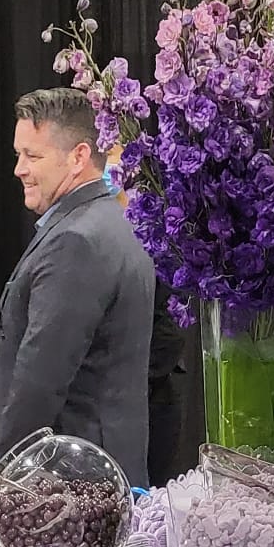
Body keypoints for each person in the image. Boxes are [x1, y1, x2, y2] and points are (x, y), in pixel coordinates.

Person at [0, 88, 154, 508]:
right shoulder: (112, 221)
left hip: (69, 483)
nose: (18, 169)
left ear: (77, 157)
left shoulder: (77, 240)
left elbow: (43, 373)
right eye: (18, 155)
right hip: (96, 470)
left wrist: (3, 470)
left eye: (32, 156)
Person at [104, 146, 189, 485]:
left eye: (115, 172)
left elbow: (170, 330)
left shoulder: (155, 235)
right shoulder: (88, 237)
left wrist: (129, 377)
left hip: (150, 399)